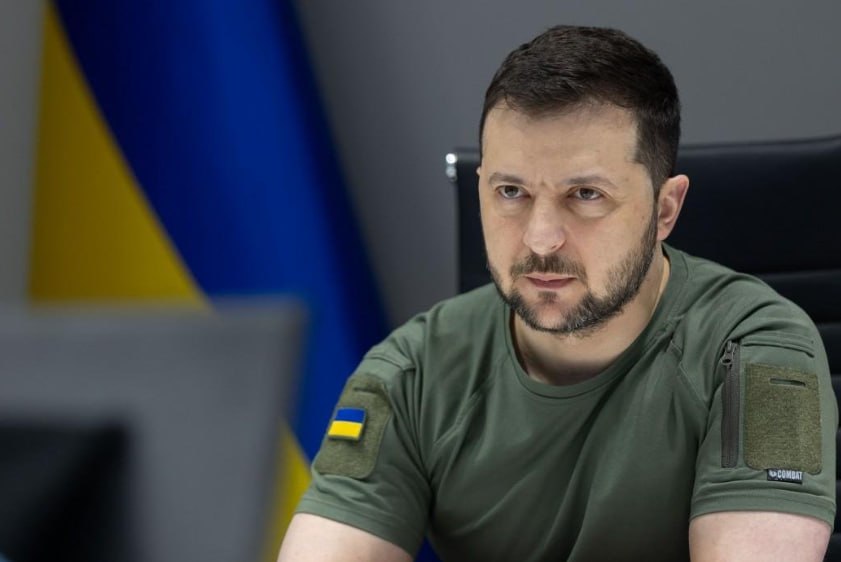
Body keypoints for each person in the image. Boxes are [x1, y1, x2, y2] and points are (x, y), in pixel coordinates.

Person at [278, 25, 836, 561]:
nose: (541, 238)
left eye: (586, 194)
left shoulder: (761, 351)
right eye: (511, 191)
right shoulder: (411, 372)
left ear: (665, 209)